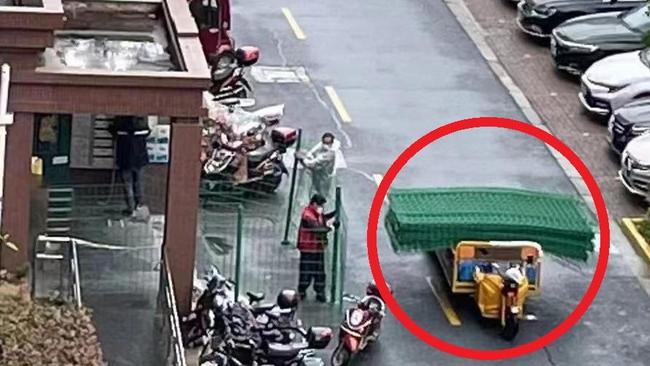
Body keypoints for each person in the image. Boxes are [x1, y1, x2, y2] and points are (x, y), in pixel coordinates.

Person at [297, 194, 338, 302]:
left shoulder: (316, 214)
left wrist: (335, 213)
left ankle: (320, 292)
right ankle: (302, 291)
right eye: (320, 205)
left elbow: (323, 218)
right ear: (314, 204)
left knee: (319, 272)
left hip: (317, 247)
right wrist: (331, 227)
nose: (321, 208)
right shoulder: (307, 215)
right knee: (306, 272)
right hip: (308, 248)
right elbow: (318, 229)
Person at [109, 116, 150, 217]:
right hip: (140, 157)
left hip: (125, 158)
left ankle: (131, 208)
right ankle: (140, 206)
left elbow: (112, 130)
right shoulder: (141, 122)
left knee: (128, 184)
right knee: (139, 183)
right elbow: (148, 131)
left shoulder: (120, 121)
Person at [296, 132, 337, 199]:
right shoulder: (322, 145)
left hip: (324, 177)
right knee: (313, 192)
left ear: (331, 143)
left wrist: (302, 158)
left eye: (328, 143)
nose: (326, 145)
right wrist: (307, 154)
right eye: (324, 142)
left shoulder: (330, 154)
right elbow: (312, 152)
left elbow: (312, 164)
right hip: (317, 174)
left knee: (321, 195)